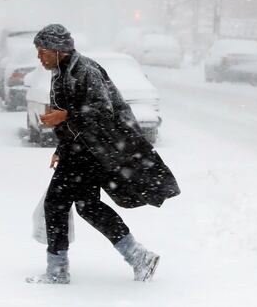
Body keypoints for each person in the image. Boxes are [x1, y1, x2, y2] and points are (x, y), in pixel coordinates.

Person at [27, 23, 180, 285]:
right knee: (88, 206)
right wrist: (61, 148)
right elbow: (70, 118)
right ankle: (138, 256)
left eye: (42, 51)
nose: (39, 57)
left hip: (92, 151)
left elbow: (103, 113)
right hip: (82, 150)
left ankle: (58, 271)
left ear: (57, 49)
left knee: (57, 203)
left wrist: (66, 116)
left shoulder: (84, 70)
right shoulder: (62, 72)